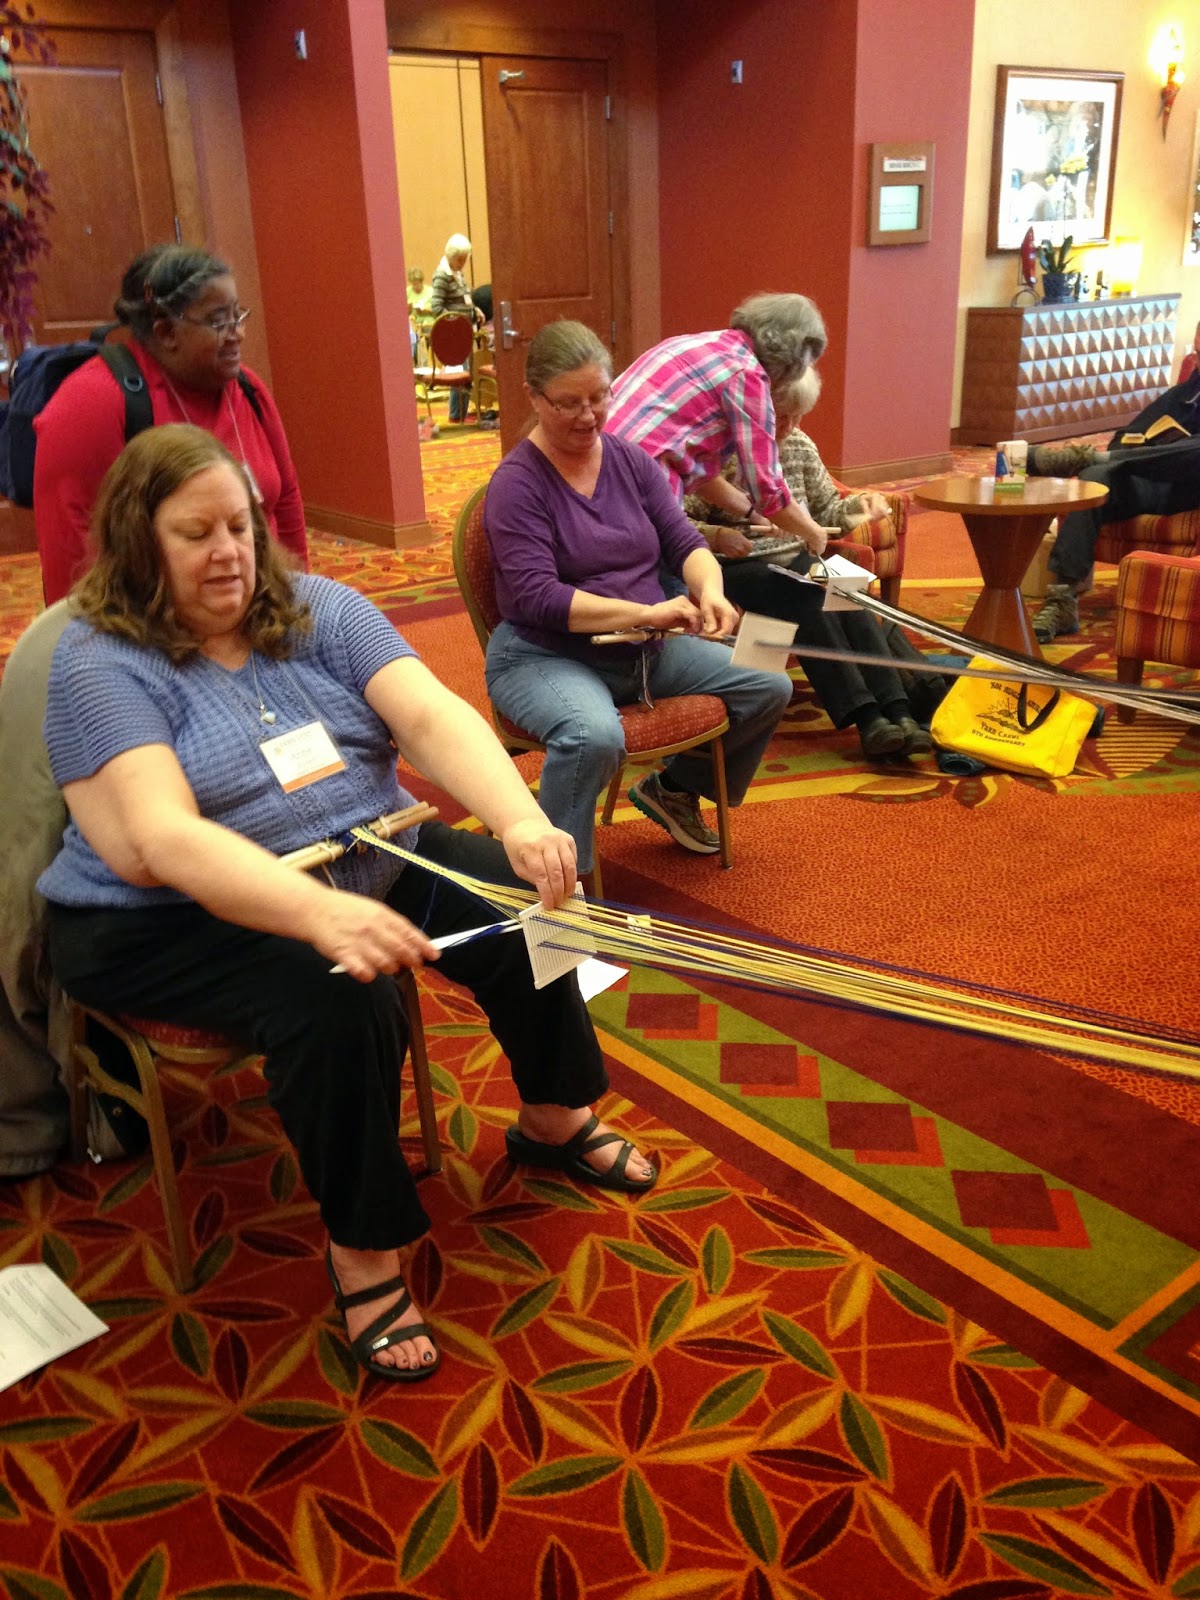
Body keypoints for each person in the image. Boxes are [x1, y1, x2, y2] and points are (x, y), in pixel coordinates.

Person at [37, 423, 656, 1384]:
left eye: (239, 526)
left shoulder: (318, 607)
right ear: (137, 541)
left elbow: (430, 715)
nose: (229, 552)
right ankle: (364, 1253)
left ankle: (552, 1117)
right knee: (339, 996)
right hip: (161, 920)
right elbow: (160, 838)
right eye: (196, 533)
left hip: (360, 850)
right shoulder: (101, 659)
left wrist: (519, 819)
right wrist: (315, 913)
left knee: (517, 900)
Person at [482, 321, 792, 872]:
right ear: (534, 398)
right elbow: (539, 598)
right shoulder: (516, 483)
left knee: (770, 679)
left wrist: (711, 591)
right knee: (592, 736)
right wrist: (649, 612)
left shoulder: (629, 459)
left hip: (642, 648)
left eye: (600, 397)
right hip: (543, 655)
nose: (588, 416)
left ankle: (673, 789)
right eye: (569, 403)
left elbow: (685, 542)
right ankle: (556, 884)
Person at [687, 368, 945, 757]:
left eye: (797, 416)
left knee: (849, 592)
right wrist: (719, 535)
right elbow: (677, 521)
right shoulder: (722, 453)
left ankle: (899, 710)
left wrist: (861, 506)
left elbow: (827, 510)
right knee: (806, 594)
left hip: (796, 559)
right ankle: (867, 718)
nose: (789, 427)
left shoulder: (800, 445)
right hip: (735, 566)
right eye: (781, 416)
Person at [33, 244, 309, 606]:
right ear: (165, 332)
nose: (237, 333)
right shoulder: (92, 402)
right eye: (218, 321)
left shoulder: (247, 388)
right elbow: (72, 552)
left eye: (237, 315)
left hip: (253, 605)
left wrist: (295, 597)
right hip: (155, 620)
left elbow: (285, 501)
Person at [604, 291, 833, 553]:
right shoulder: (748, 376)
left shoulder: (697, 344)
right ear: (795, 360)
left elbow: (700, 474)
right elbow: (767, 489)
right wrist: (811, 532)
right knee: (669, 570)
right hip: (637, 484)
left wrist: (754, 514)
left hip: (596, 465)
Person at [1028, 366, 1200, 640]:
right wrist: (1144, 450)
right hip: (1149, 481)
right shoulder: (1185, 394)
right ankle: (1062, 600)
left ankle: (1086, 458)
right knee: (1095, 478)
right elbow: (1120, 440)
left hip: (1188, 493)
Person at [430, 233, 484, 422]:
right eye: (460, 259)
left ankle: (461, 414)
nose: (463, 263)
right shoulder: (442, 275)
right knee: (459, 374)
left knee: (466, 373)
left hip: (464, 333)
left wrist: (475, 309)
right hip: (454, 336)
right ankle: (456, 415)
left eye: (464, 259)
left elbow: (464, 299)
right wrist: (456, 323)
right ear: (451, 256)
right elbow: (436, 307)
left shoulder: (457, 274)